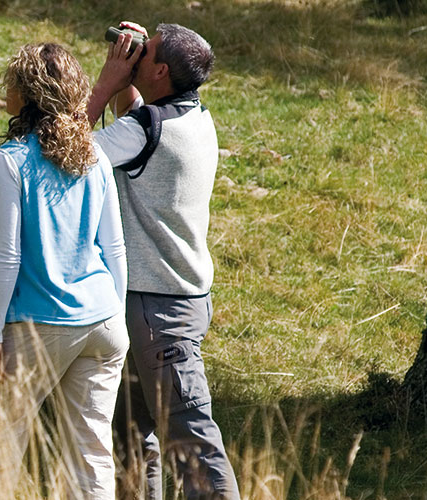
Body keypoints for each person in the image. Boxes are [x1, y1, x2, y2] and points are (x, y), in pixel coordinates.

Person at [85, 22, 242, 500]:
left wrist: (107, 82)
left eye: (144, 50)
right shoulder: (193, 118)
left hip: (157, 314)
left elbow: (65, 151)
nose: (134, 53)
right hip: (177, 303)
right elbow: (142, 125)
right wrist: (129, 86)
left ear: (158, 70)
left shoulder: (144, 129)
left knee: (193, 444)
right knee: (133, 437)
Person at [0, 42, 128, 499]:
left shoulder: (10, 161)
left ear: (25, 93)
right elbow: (114, 248)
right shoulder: (94, 156)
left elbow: (7, 255)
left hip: (40, 325)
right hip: (103, 322)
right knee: (92, 454)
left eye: (11, 83)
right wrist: (115, 314)